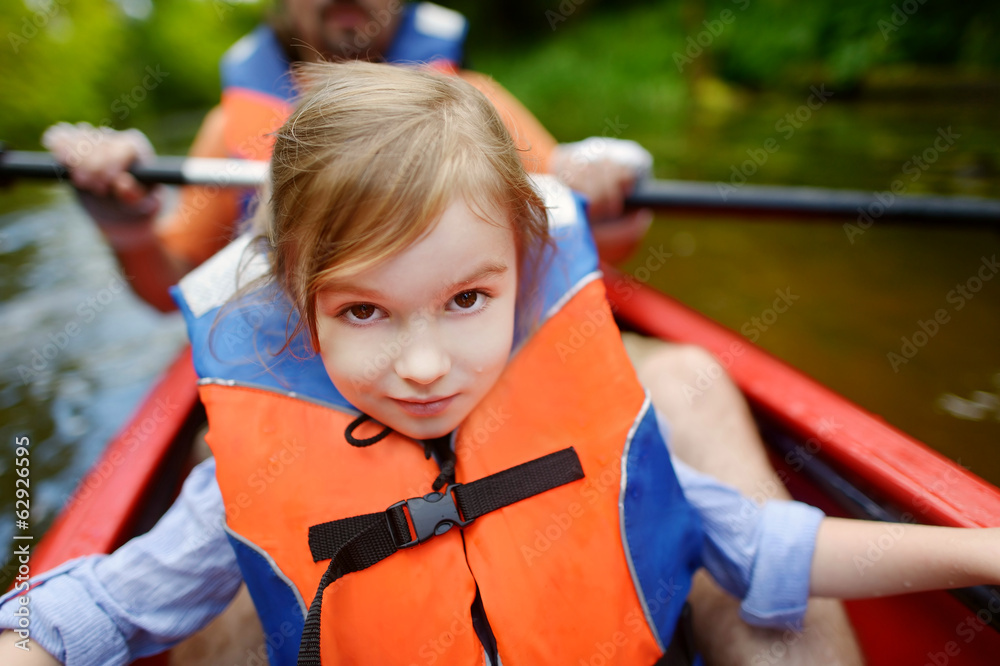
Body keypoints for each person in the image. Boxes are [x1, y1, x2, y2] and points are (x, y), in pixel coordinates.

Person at [3, 62, 998, 666]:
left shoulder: (598, 438)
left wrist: (970, 551)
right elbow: (96, 611)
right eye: (364, 311)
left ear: (520, 286)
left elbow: (779, 549)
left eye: (467, 300)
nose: (426, 364)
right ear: (301, 311)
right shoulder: (243, 491)